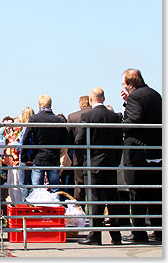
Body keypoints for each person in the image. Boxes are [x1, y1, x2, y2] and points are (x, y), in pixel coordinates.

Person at [76, 87, 123, 246]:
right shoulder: (115, 116)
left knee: (95, 200)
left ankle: (95, 235)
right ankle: (116, 236)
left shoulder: (87, 116)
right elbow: (119, 141)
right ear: (103, 98)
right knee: (112, 199)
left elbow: (79, 140)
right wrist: (116, 159)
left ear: (90, 100)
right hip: (110, 163)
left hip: (93, 163)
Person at [120, 68, 162, 243]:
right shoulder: (154, 94)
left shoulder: (136, 97)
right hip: (156, 151)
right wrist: (127, 103)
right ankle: (159, 229)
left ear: (130, 84)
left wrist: (120, 123)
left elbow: (135, 119)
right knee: (155, 194)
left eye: (124, 83)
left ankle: (138, 232)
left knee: (136, 192)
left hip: (139, 152)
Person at [22, 95, 68, 192]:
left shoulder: (34, 119)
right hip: (53, 157)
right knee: (54, 188)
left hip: (38, 157)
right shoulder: (58, 120)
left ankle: (38, 206)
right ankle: (55, 205)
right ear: (51, 105)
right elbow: (65, 140)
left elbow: (26, 138)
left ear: (39, 105)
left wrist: (24, 156)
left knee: (37, 188)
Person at [67, 95, 92, 202]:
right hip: (97, 156)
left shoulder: (72, 117)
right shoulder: (96, 114)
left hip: (79, 155)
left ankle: (80, 212)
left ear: (80, 104)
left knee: (79, 185)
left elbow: (68, 138)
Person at [17, 106, 35, 200]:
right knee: (31, 183)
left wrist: (15, 143)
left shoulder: (25, 129)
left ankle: (26, 203)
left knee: (23, 184)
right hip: (33, 157)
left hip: (25, 158)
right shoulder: (34, 129)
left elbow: (21, 145)